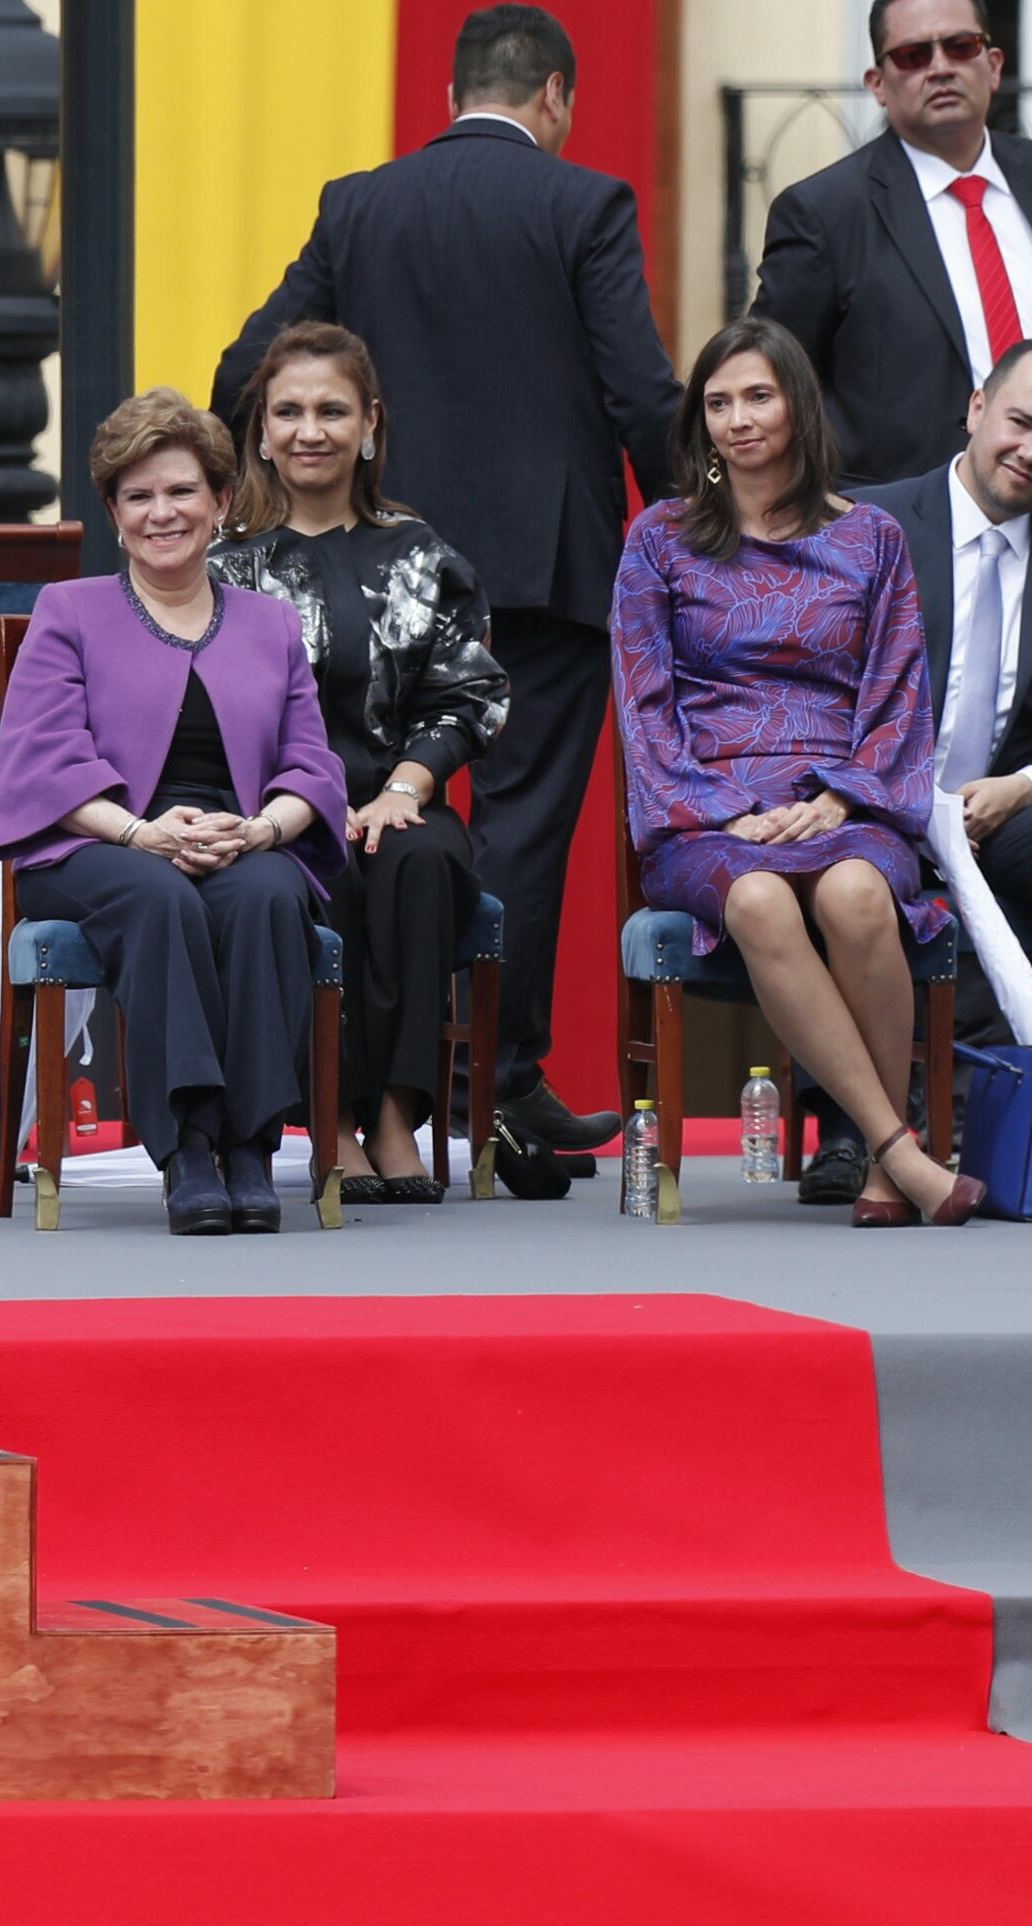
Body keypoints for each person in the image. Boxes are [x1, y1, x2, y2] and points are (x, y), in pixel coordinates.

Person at [213, 3, 674, 1165]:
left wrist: (264, 502)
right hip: (539, 570)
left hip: (366, 574)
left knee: (372, 809)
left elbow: (240, 369)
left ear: (450, 97)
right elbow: (637, 394)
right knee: (516, 829)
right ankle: (497, 1087)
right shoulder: (585, 204)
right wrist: (691, 527)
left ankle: (370, 1081)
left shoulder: (356, 204)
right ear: (553, 99)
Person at [613, 316, 985, 1228]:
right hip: (703, 814)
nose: (736, 419)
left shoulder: (871, 540)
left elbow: (899, 698)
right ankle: (895, 1149)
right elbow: (643, 708)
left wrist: (836, 800)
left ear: (796, 407)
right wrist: (724, 811)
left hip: (843, 798)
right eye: (716, 403)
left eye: (757, 396)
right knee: (758, 901)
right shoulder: (659, 540)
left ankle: (876, 1153)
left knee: (857, 897)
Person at [0, 389, 347, 1237]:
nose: (162, 513)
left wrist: (262, 829)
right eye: (138, 496)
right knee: (158, 897)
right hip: (95, 842)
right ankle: (187, 1146)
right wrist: (141, 832)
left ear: (221, 502)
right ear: (113, 513)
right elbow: (41, 757)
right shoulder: (68, 611)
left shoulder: (268, 624)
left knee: (267, 893)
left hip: (236, 835)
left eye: (181, 492)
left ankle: (252, 1147)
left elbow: (311, 763)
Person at [215, 323, 511, 1205]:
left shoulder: (422, 557)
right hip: (270, 811)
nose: (311, 430)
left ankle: (394, 1115)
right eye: (290, 412)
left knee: (419, 861)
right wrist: (299, 806)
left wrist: (402, 789)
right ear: (261, 432)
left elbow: (471, 696)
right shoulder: (225, 569)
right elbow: (207, 715)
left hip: (401, 797)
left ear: (369, 424)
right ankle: (331, 1122)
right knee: (319, 866)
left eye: (332, 411)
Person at [784, 337, 1032, 1195]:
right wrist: (868, 793)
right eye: (1020, 422)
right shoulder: (864, 527)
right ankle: (851, 1132)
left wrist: (1026, 786)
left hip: (991, 813)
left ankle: (1015, 1112)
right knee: (841, 873)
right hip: (865, 801)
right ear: (975, 409)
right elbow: (801, 698)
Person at [751, 0, 1032, 488]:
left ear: (993, 66)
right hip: (906, 528)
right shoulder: (824, 213)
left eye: (960, 46)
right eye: (912, 55)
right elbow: (769, 383)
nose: (940, 68)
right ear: (878, 85)